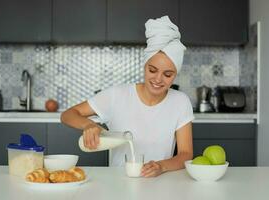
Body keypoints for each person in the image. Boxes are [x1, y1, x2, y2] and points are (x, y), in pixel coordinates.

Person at [61, 16, 194, 177]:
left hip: (161, 183)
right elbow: (67, 115)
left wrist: (161, 166)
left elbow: (186, 154)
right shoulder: (117, 95)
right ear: (144, 66)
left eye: (167, 74)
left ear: (175, 75)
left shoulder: (180, 102)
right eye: (152, 70)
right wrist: (88, 125)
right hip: (118, 183)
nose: (158, 79)